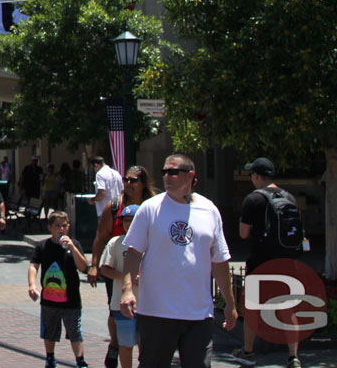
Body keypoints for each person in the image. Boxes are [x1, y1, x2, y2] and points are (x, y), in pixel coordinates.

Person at [120, 153, 238, 368]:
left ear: (190, 175)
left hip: (198, 313)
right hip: (156, 312)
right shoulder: (150, 208)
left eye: (173, 172)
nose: (166, 176)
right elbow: (133, 252)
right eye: (164, 171)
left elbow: (220, 261)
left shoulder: (209, 210)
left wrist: (229, 303)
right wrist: (127, 290)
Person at [232, 157, 302, 368]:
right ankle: (293, 357)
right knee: (288, 309)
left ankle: (249, 351)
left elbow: (243, 234)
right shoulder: (288, 196)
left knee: (252, 308)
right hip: (287, 262)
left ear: (256, 176)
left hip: (261, 263)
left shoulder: (253, 199)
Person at [89, 165, 158, 368]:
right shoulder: (115, 206)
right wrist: (94, 265)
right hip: (119, 264)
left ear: (143, 183)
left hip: (147, 272)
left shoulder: (154, 205)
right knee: (116, 308)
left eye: (133, 180)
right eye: (126, 180)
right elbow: (101, 237)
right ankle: (115, 344)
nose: (128, 183)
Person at [28, 210, 89, 368]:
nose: (61, 229)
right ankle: (50, 358)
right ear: (50, 228)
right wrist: (32, 285)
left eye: (64, 226)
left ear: (68, 227)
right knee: (50, 330)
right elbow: (34, 265)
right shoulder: (43, 246)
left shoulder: (74, 244)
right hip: (50, 298)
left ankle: (80, 361)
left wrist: (73, 249)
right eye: (57, 226)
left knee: (75, 330)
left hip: (71, 299)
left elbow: (83, 267)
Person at [99, 203, 141, 368]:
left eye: (133, 220)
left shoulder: (150, 242)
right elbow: (105, 269)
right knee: (125, 343)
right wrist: (126, 277)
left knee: (146, 345)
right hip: (121, 304)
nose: (129, 224)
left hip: (147, 305)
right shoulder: (115, 243)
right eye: (126, 220)